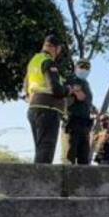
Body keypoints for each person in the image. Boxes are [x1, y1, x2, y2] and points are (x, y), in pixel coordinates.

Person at [24, 35, 66, 164]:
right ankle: (41, 182)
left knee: (40, 148)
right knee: (46, 150)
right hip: (48, 109)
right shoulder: (48, 61)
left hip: (33, 107)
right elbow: (56, 89)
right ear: (56, 48)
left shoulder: (33, 61)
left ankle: (37, 180)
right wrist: (68, 89)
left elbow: (25, 86)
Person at [64, 58, 94, 166]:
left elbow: (85, 99)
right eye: (82, 67)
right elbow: (74, 97)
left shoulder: (86, 83)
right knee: (71, 154)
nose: (84, 70)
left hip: (85, 123)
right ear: (76, 67)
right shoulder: (71, 80)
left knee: (84, 155)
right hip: (73, 121)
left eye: (87, 68)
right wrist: (76, 93)